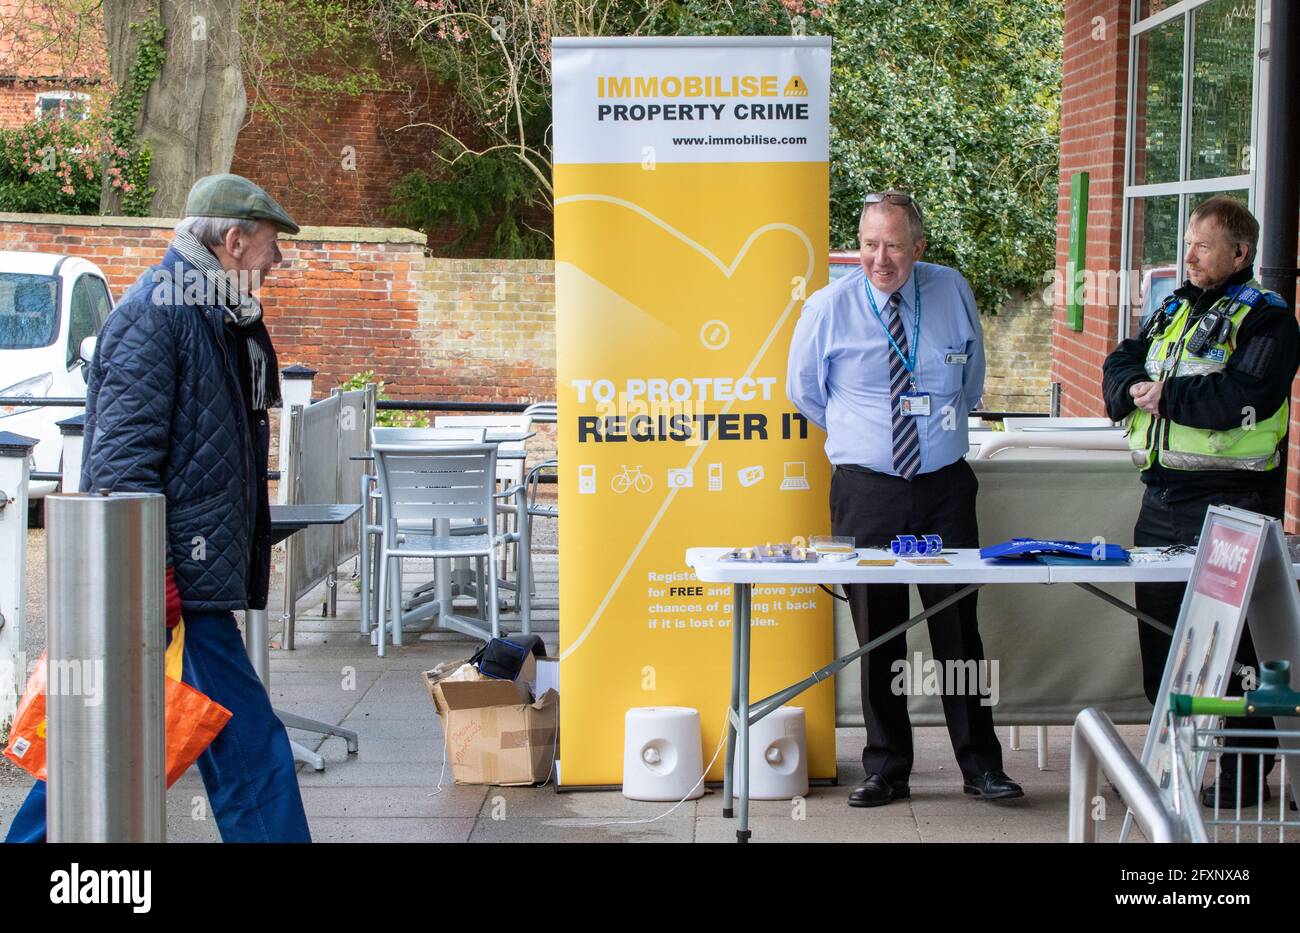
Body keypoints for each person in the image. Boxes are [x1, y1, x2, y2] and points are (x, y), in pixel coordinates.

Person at [4, 174, 311, 843]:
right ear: (231, 241)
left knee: (101, 740)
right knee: (249, 747)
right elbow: (118, 466)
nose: (276, 264)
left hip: (175, 580)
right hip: (175, 587)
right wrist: (158, 579)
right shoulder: (158, 314)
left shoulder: (207, 313)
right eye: (269, 248)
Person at [787, 190, 1021, 807]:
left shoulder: (950, 291)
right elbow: (806, 393)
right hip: (866, 493)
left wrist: (932, 431)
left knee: (958, 629)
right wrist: (866, 438)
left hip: (944, 487)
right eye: (868, 244)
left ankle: (980, 765)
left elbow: (970, 380)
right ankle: (886, 768)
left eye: (893, 245)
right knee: (878, 631)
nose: (880, 259)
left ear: (918, 247)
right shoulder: (827, 307)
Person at [1102, 196, 1298, 807]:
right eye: (1188, 243)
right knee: (1160, 638)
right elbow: (1120, 359)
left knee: (1236, 648)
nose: (1189, 254)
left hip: (1235, 505)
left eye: (1204, 245)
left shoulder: (1269, 318)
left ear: (1240, 254)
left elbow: (1249, 394)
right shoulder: (1173, 307)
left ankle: (1243, 773)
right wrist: (1131, 387)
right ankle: (1170, 765)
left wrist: (1166, 397)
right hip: (1161, 500)